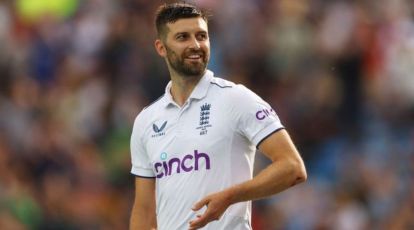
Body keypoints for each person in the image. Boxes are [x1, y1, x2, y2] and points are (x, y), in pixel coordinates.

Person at [129, 3, 307, 230]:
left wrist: (231, 196)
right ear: (161, 47)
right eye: (183, 37)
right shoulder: (146, 121)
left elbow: (292, 167)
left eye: (201, 36)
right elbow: (144, 210)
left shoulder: (236, 99)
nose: (195, 45)